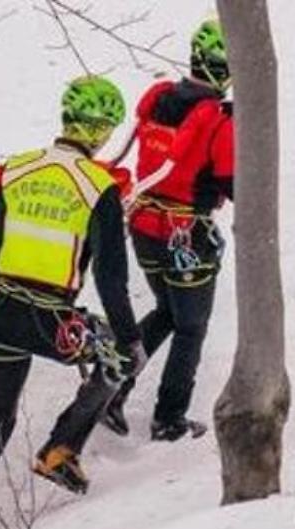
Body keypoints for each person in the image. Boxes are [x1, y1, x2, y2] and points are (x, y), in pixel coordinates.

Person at [0, 76, 145, 529]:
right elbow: (111, 280)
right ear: (100, 131)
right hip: (57, 322)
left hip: (5, 313)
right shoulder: (99, 187)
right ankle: (61, 449)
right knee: (120, 363)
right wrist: (129, 338)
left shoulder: (16, 170)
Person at [100, 19, 234, 441]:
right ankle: (169, 417)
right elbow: (233, 181)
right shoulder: (218, 119)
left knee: (167, 311)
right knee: (191, 325)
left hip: (144, 225)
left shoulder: (159, 100)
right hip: (186, 233)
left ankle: (112, 390)